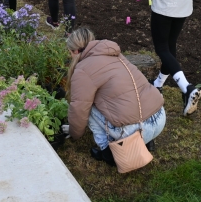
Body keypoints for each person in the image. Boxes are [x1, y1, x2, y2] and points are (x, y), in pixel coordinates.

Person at [61, 28, 165, 166]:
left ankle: (107, 152)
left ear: (74, 51)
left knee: (88, 105)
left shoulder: (82, 69)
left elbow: (79, 108)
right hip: (159, 118)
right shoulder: (115, 54)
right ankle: (147, 141)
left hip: (135, 131)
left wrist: (74, 133)